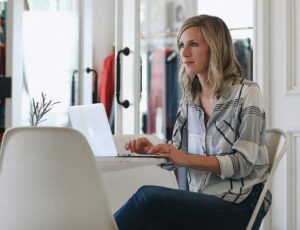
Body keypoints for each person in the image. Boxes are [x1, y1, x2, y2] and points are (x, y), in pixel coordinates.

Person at [114, 15, 270, 230]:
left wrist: (182, 158)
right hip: (204, 201)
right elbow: (177, 153)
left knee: (147, 199)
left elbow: (243, 164)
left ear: (215, 48)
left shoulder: (247, 92)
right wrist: (154, 150)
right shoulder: (190, 98)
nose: (184, 53)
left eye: (193, 44)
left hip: (240, 204)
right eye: (181, 45)